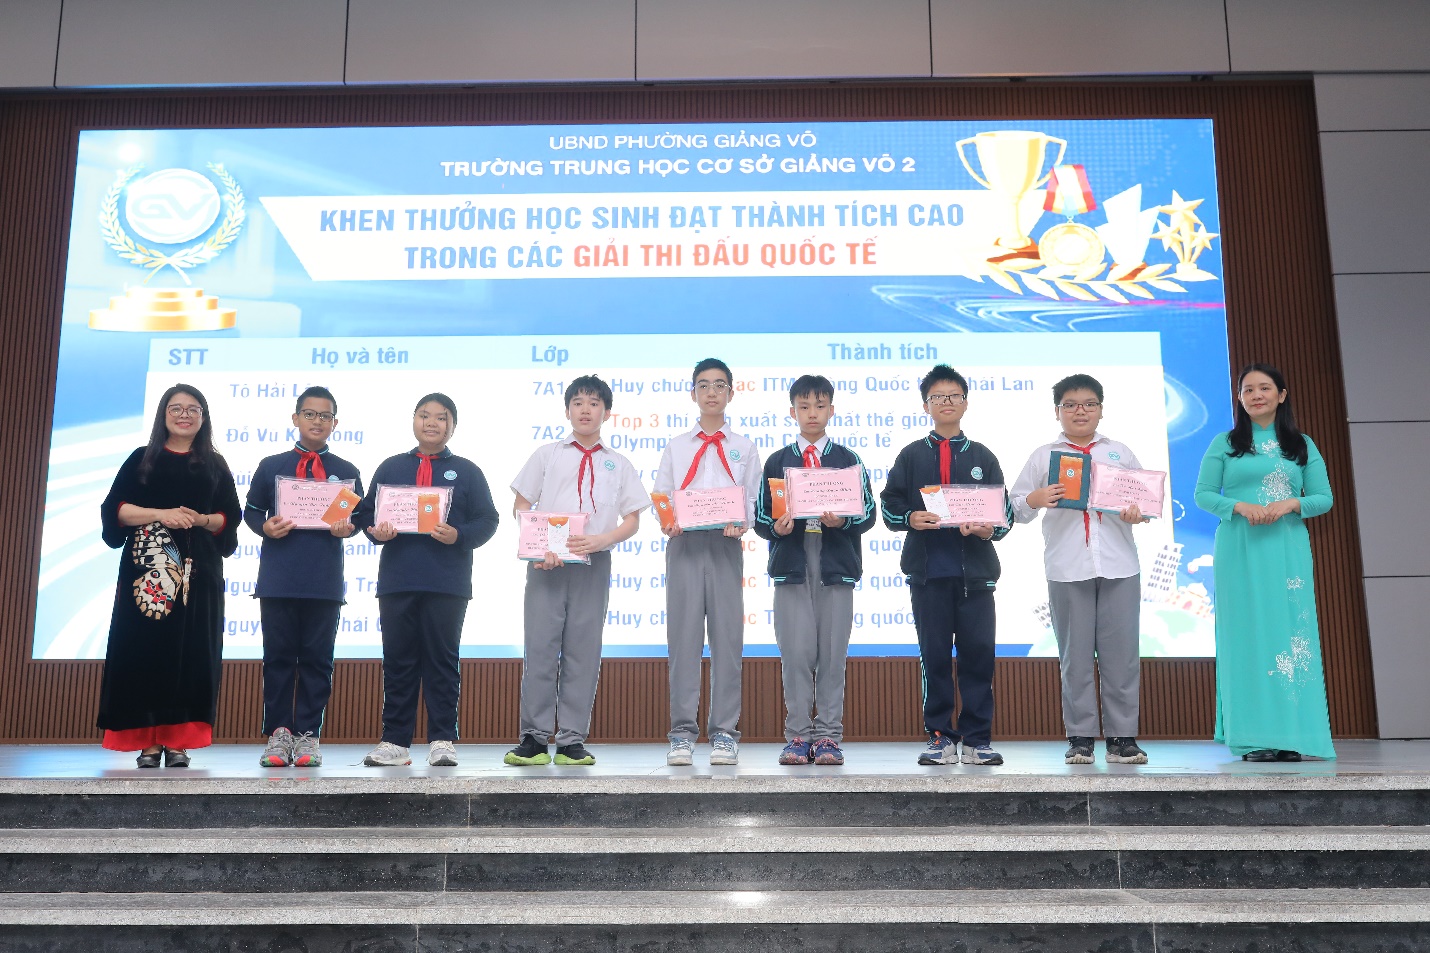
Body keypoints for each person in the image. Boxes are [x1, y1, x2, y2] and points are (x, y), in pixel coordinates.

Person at [505, 375, 648, 767]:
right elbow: (521, 505)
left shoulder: (619, 463)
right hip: (546, 565)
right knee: (540, 649)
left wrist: (603, 540)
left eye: (594, 403)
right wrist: (539, 545)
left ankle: (571, 740)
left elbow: (633, 519)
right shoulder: (546, 454)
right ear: (567, 410)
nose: (586, 409)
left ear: (607, 412)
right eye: (579, 402)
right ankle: (533, 738)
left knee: (584, 651)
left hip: (593, 565)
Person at [1195, 364, 1335, 762]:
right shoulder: (1225, 443)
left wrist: (1292, 503)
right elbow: (1204, 494)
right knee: (1245, 636)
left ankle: (1292, 736)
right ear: (1239, 399)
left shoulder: (1301, 445)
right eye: (1248, 390)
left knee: (1290, 637)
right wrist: (1239, 506)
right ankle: (1254, 737)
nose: (1256, 395)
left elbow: (1323, 499)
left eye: (1265, 388)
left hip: (1286, 550)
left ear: (1282, 395)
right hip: (1238, 548)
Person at [1010, 374, 1151, 766]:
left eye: (1089, 404)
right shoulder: (1044, 456)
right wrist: (1036, 498)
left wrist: (1138, 513)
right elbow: (1015, 508)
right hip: (1067, 567)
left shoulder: (1120, 452)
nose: (1080, 411)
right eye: (1070, 405)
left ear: (1101, 409)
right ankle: (1081, 738)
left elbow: (1145, 502)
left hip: (1120, 566)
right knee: (1075, 658)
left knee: (1122, 657)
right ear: (1057, 411)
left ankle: (1122, 739)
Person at [352, 393, 499, 767]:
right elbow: (366, 514)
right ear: (413, 420)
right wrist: (375, 532)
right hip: (398, 580)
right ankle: (395, 742)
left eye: (441, 417)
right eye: (424, 415)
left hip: (447, 582)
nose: (432, 423)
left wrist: (459, 535)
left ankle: (442, 740)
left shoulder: (467, 471)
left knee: (442, 662)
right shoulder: (391, 467)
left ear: (453, 426)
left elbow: (488, 519)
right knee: (398, 662)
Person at [98, 385, 241, 768]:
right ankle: (147, 741)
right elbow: (115, 510)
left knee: (192, 653)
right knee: (143, 652)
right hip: (147, 574)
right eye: (176, 408)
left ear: (203, 417)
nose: (184, 415)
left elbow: (230, 517)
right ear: (163, 414)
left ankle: (178, 742)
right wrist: (161, 514)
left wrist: (200, 519)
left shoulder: (215, 464)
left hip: (200, 574)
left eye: (193, 409)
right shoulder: (141, 459)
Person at [880, 364, 1012, 766]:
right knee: (934, 657)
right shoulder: (911, 455)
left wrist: (988, 529)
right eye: (938, 397)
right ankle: (939, 736)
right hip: (927, 574)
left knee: (978, 657)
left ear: (966, 403)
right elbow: (889, 504)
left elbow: (1004, 513)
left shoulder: (983, 456)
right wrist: (910, 518)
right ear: (926, 406)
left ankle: (977, 739)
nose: (947, 402)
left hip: (977, 576)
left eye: (955, 395)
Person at [753, 375, 875, 766]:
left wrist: (842, 521)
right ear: (792, 412)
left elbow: (868, 513)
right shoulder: (778, 461)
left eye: (819, 406)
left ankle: (828, 737)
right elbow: (760, 517)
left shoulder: (848, 460)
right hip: (792, 564)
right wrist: (777, 528)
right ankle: (797, 736)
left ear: (831, 411)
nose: (812, 413)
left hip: (835, 564)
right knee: (795, 654)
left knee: (833, 655)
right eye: (804, 407)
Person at [243, 386, 363, 768]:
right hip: (278, 580)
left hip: (324, 582)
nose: (317, 421)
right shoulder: (271, 466)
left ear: (335, 423)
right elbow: (251, 511)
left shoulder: (347, 471)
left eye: (325, 416)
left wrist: (348, 529)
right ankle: (278, 734)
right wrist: (265, 527)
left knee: (317, 661)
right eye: (309, 414)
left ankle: (309, 733)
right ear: (295, 418)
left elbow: (358, 519)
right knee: (277, 659)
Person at [652, 358, 763, 766]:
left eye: (719, 385)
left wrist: (743, 523)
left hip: (724, 545)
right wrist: (668, 521)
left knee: (727, 641)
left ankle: (724, 733)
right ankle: (682, 734)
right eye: (703, 385)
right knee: (683, 642)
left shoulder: (744, 447)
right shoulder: (677, 446)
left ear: (731, 393)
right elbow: (662, 495)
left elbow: (753, 500)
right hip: (683, 546)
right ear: (693, 393)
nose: (711, 392)